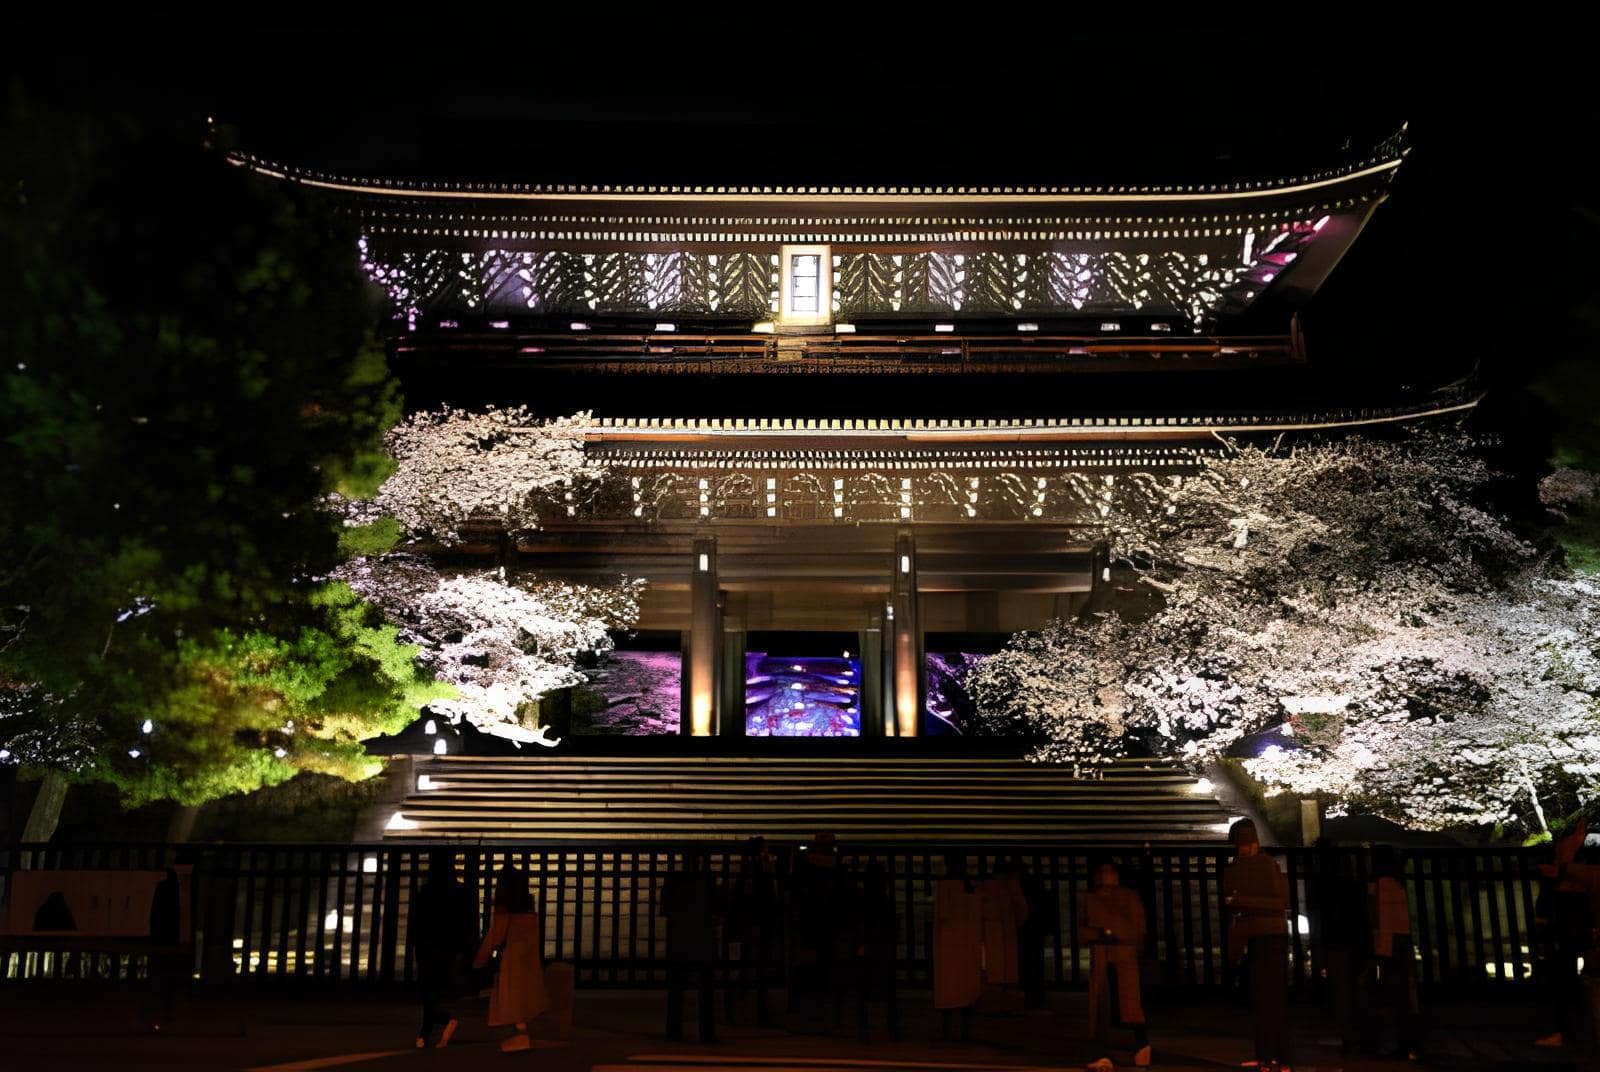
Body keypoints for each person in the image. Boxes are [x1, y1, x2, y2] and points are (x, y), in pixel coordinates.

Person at [1223, 818, 1289, 1070]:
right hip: (1261, 935)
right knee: (1265, 1000)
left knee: (1269, 1000)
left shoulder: (1260, 866)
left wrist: (1242, 901)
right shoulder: (1260, 865)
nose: (1243, 849)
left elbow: (1274, 902)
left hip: (1264, 936)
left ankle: (1274, 1056)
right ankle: (1270, 1056)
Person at [1078, 861, 1151, 1067]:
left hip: (1123, 957)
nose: (1104, 876)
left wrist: (1112, 932)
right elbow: (1081, 930)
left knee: (1128, 1006)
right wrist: (1099, 934)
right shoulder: (1090, 899)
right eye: (1101, 871)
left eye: (1108, 872)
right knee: (1103, 1007)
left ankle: (1137, 1047)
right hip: (1102, 957)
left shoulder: (1128, 897)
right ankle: (1104, 1052)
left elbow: (1138, 928)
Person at [473, 865, 548, 1052]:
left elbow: (495, 937)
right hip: (527, 961)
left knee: (510, 1003)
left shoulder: (504, 910)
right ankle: (523, 1036)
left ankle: (519, 1038)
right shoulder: (528, 907)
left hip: (510, 963)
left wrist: (479, 960)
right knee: (524, 1002)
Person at [408, 849, 476, 1049]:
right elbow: (464, 923)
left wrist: (416, 946)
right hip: (447, 947)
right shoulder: (459, 891)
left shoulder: (425, 891)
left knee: (428, 991)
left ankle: (430, 1028)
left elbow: (417, 922)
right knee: (434, 991)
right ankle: (430, 1027)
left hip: (427, 947)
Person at [1309, 839, 1366, 1054]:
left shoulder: (1326, 883)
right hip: (1350, 937)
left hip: (1337, 939)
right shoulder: (1348, 881)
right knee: (1350, 988)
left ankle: (1347, 1036)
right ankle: (1354, 1035)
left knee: (1340, 989)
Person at [1364, 845, 1419, 1060]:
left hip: (1385, 946)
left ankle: (1384, 1043)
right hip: (1402, 945)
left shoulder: (1377, 885)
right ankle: (1407, 1044)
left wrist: (1378, 948)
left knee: (1383, 996)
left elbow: (1377, 918)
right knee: (1404, 998)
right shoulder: (1401, 884)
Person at [660, 851, 719, 1043]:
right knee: (706, 993)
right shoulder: (709, 882)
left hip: (679, 940)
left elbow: (665, 910)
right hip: (702, 940)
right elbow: (717, 910)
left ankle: (674, 1032)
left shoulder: (673, 882)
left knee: (676, 992)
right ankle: (707, 1033)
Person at [724, 836, 779, 1026]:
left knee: (746, 968)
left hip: (749, 924)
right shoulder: (758, 872)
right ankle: (756, 1013)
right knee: (756, 968)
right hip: (756, 924)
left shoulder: (748, 872)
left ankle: (744, 1011)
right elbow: (764, 898)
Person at [934, 852, 984, 1041]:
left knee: (948, 988)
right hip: (966, 943)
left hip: (948, 946)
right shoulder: (970, 887)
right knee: (966, 987)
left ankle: (948, 1031)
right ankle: (965, 1031)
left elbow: (943, 915)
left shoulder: (945, 886)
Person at [853, 861, 902, 1043]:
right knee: (887, 989)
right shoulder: (883, 899)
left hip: (870, 946)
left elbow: (862, 922)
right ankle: (890, 1026)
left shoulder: (866, 898)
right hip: (882, 946)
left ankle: (865, 1026)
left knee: (864, 989)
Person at [1012, 856, 1055, 1011]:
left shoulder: (1021, 887)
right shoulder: (1035, 885)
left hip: (1027, 931)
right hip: (1036, 931)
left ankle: (1031, 997)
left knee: (1027, 965)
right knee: (1036, 965)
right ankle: (1036, 997)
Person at [146, 866, 184, 1030]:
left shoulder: (161, 891)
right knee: (168, 978)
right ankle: (167, 1011)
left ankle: (157, 1014)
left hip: (159, 938)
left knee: (158, 976)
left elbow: (154, 915)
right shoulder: (176, 892)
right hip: (170, 939)